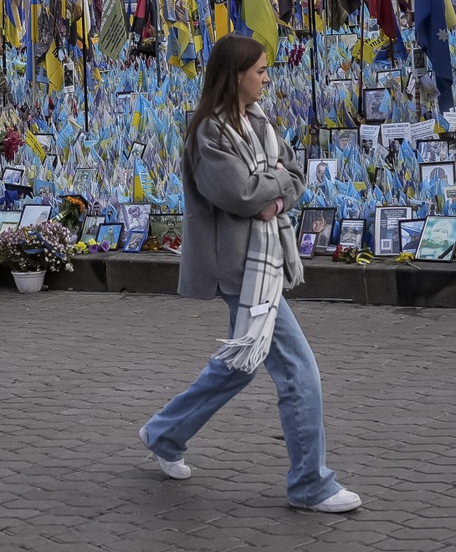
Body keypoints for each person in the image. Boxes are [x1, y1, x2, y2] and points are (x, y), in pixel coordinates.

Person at [140, 33, 359, 514]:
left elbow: (294, 176)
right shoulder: (209, 133)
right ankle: (310, 485)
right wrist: (275, 184)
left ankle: (164, 432)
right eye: (260, 70)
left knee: (239, 366)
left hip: (265, 260)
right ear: (236, 75)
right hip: (239, 269)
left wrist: (275, 196)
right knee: (299, 370)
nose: (267, 78)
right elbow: (239, 194)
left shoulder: (258, 120)